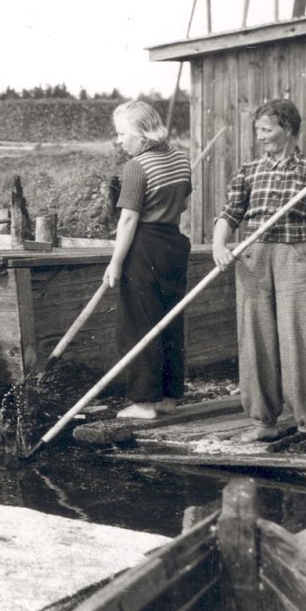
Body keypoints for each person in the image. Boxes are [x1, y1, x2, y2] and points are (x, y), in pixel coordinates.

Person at [212, 98, 306, 457]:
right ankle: (264, 421)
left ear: (287, 128)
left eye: (267, 129)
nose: (260, 137)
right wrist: (219, 244)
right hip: (253, 257)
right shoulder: (248, 170)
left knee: (299, 340)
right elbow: (229, 214)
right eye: (257, 130)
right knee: (256, 339)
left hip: (293, 257)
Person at [103, 101, 193, 419]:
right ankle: (169, 396)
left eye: (122, 133)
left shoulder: (137, 167)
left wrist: (115, 263)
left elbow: (128, 220)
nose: (119, 140)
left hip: (144, 246)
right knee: (170, 318)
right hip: (173, 245)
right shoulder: (181, 159)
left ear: (141, 135)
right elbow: (182, 205)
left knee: (139, 321)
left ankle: (143, 402)